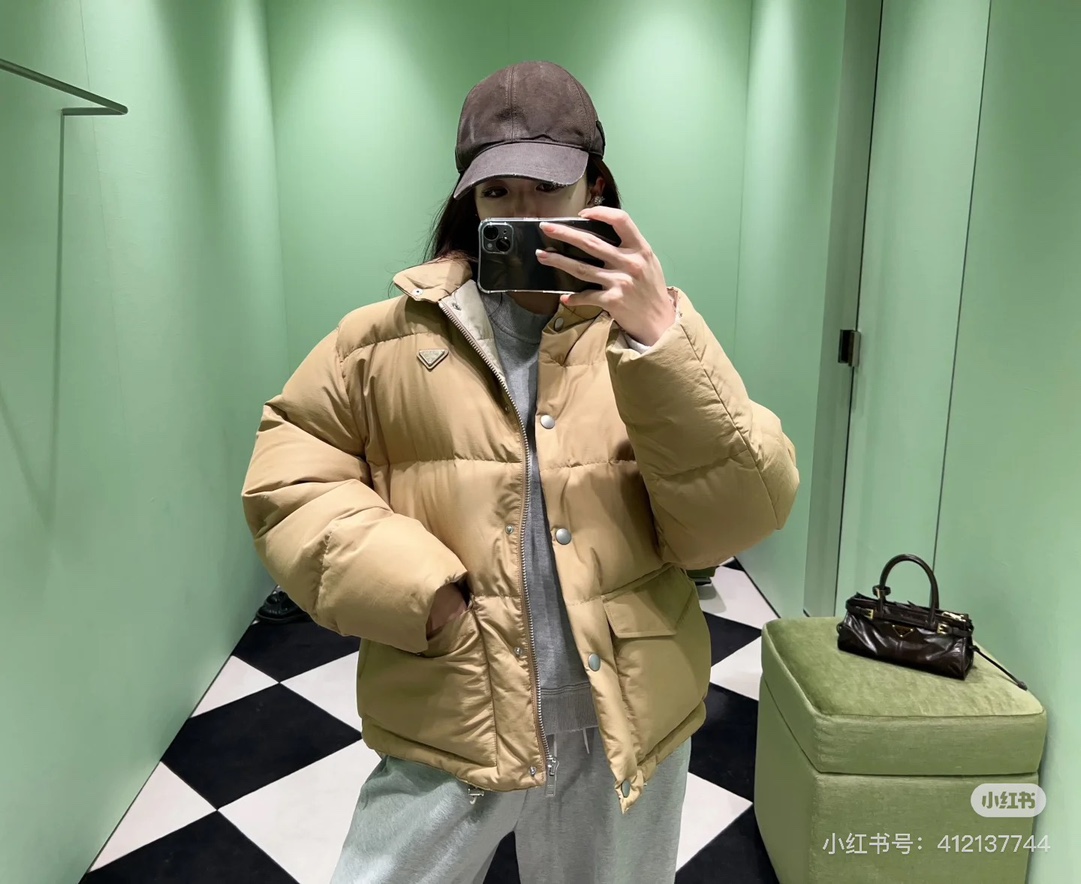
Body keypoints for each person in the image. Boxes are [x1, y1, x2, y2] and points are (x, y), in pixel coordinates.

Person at [241, 60, 798, 884]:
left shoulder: (652, 337)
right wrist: (419, 591)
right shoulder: (384, 338)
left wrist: (658, 336)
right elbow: (289, 476)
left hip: (622, 715)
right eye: (497, 192)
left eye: (545, 188)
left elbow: (739, 513)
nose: (521, 213)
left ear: (594, 189)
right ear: (468, 201)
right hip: (456, 703)